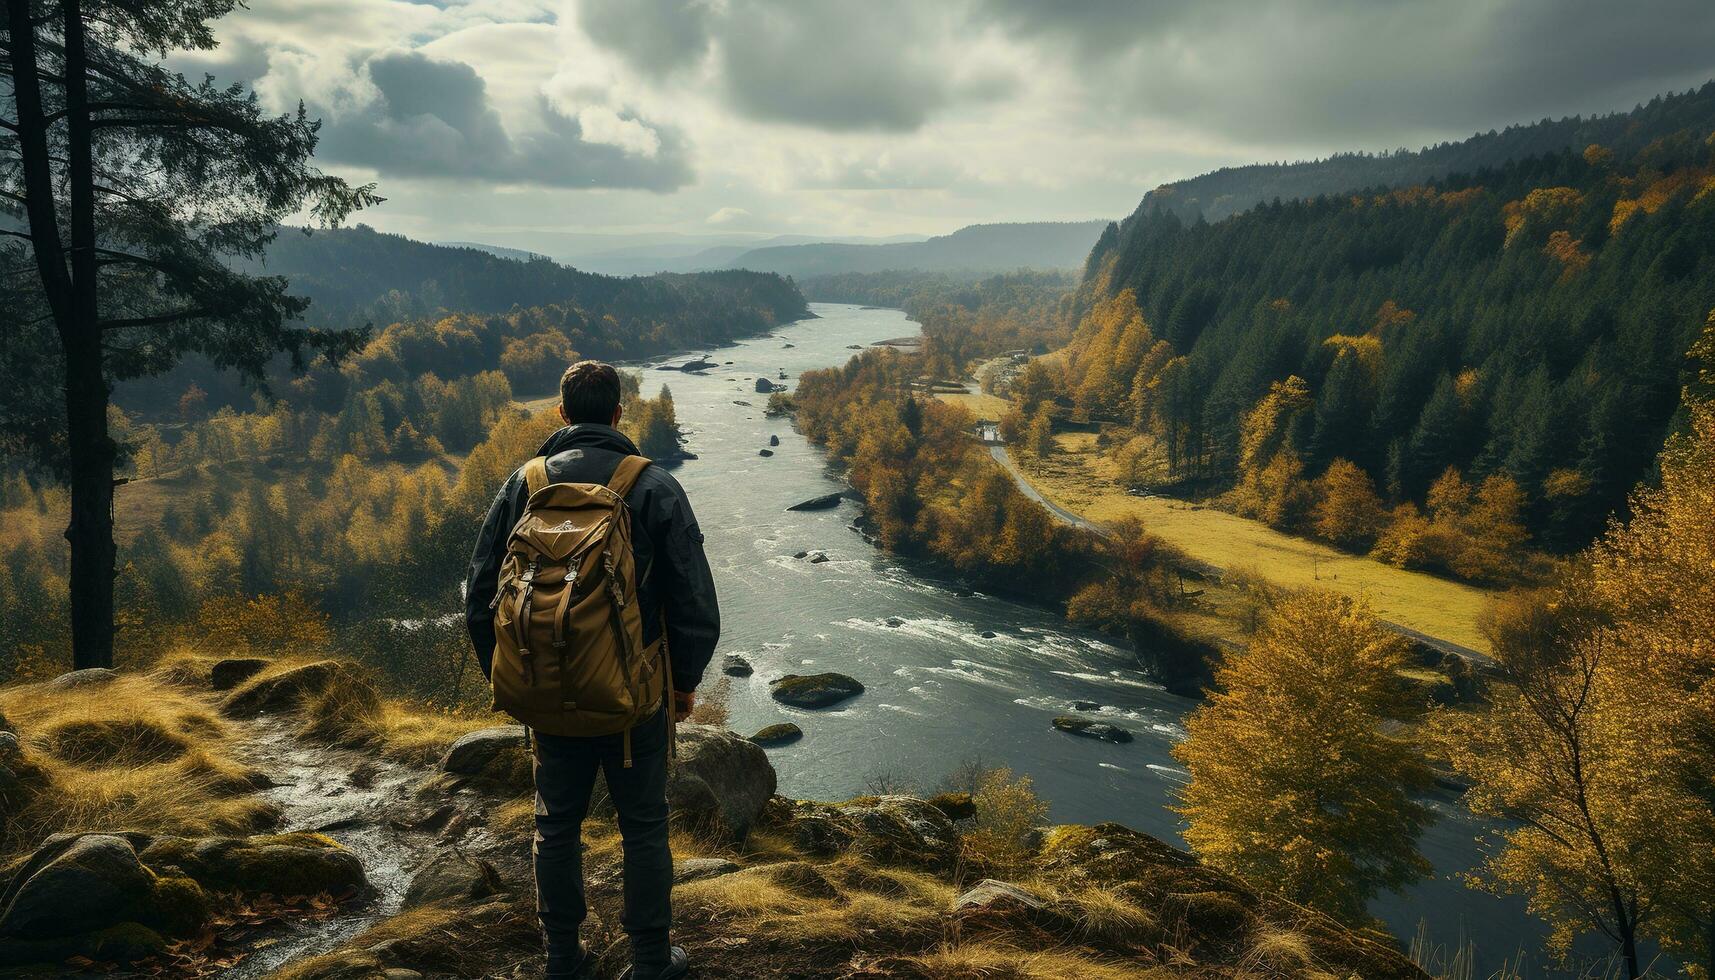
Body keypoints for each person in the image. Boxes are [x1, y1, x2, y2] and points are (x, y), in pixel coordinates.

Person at [465, 360, 719, 980]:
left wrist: (511, 674)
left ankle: (562, 958)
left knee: (555, 825)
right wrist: (683, 683)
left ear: (560, 414)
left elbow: (479, 596)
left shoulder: (522, 486)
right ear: (618, 414)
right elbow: (692, 598)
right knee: (642, 826)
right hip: (634, 696)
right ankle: (652, 962)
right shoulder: (652, 485)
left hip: (545, 689)